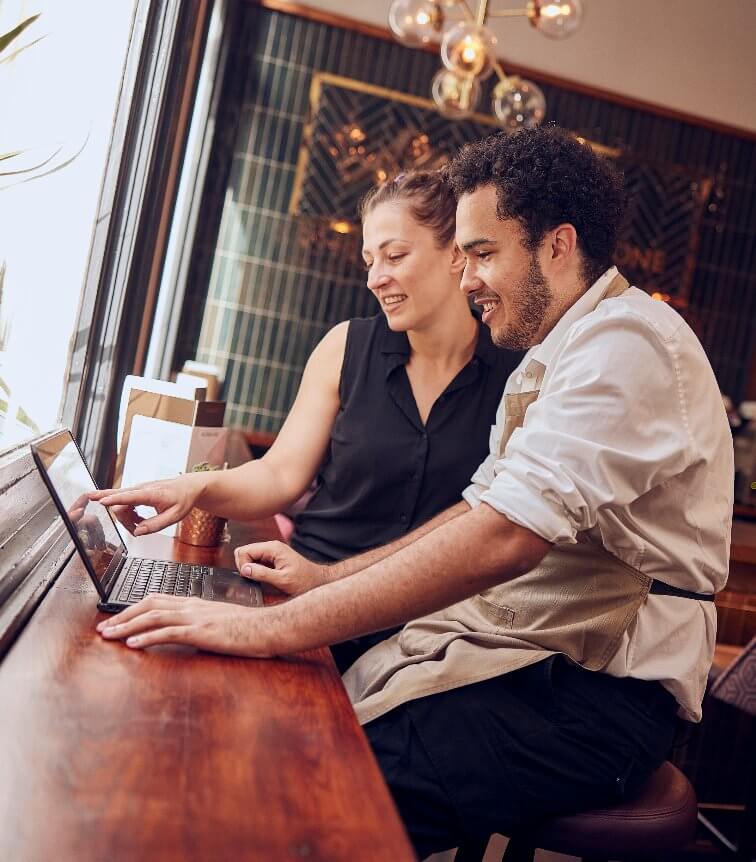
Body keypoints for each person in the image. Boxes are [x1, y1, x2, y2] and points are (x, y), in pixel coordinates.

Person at [96, 126, 733, 860]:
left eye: (484, 254)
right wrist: (326, 582)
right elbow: (479, 510)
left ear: (558, 245)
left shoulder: (626, 345)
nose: (468, 278)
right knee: (307, 742)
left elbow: (503, 535)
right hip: (541, 657)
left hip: (600, 692)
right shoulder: (556, 356)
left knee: (326, 790)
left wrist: (266, 629)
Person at [91, 169, 520, 671]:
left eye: (395, 256)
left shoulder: (516, 375)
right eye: (370, 261)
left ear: (456, 256)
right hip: (300, 591)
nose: (375, 278)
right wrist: (193, 488)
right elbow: (279, 475)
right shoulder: (345, 347)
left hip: (425, 628)